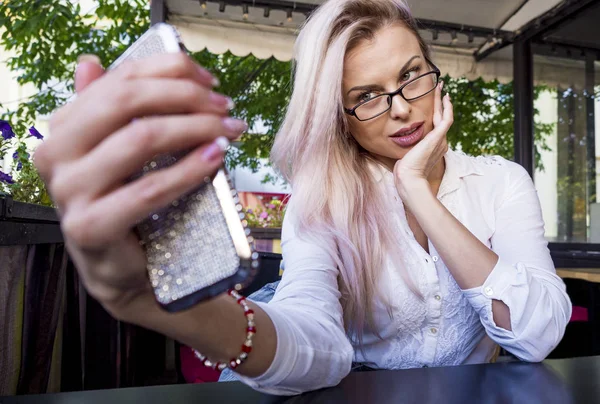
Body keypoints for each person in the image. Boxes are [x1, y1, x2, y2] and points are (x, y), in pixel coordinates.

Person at [35, 0, 571, 396]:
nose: (404, 109)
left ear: (433, 73)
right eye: (367, 98)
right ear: (339, 118)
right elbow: (316, 339)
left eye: (411, 77)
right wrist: (178, 311)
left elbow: (537, 333)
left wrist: (419, 191)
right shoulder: (324, 199)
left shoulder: (501, 182)